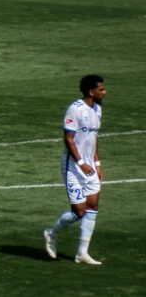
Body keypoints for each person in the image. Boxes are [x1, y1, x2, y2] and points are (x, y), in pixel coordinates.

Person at [44, 74, 106, 265]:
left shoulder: (97, 109)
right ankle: (52, 234)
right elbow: (68, 139)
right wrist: (81, 163)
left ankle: (82, 253)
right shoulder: (75, 109)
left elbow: (93, 138)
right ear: (91, 91)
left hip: (90, 166)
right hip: (73, 166)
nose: (104, 92)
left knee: (92, 206)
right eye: (101, 89)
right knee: (79, 211)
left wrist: (96, 164)